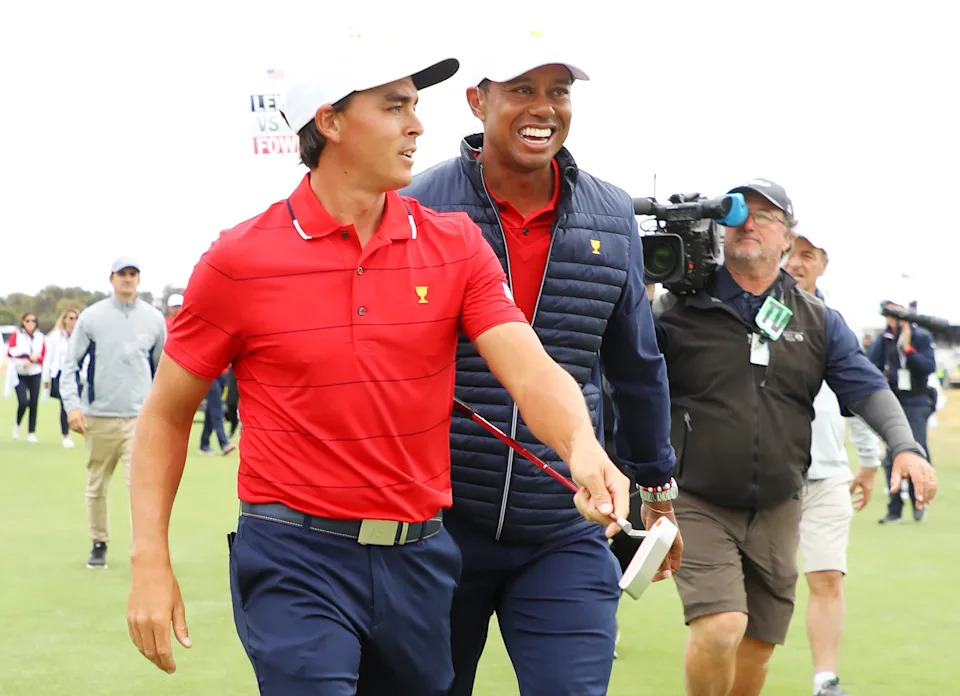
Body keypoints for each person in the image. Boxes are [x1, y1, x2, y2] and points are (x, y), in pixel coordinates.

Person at [124, 45, 631, 696]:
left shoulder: (454, 246)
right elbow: (167, 413)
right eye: (394, 106)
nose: (416, 125)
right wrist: (149, 559)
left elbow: (531, 372)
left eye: (415, 106)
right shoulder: (239, 260)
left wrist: (582, 448)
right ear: (329, 122)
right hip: (293, 555)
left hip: (420, 559)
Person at [402, 45, 680, 696]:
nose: (543, 108)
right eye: (521, 89)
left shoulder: (611, 214)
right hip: (440, 524)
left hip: (567, 523)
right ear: (478, 101)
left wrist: (658, 488)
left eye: (558, 91)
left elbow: (636, 365)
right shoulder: (418, 207)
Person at [652, 178, 938, 696]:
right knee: (720, 627)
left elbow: (867, 388)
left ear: (787, 236)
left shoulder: (818, 320)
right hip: (698, 497)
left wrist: (906, 447)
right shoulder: (677, 310)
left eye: (766, 215)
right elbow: (626, 381)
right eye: (738, 213)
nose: (749, 223)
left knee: (758, 648)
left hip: (781, 503)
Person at [784, 233, 883, 696]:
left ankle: (825, 680)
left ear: (824, 263)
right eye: (790, 253)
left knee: (825, 575)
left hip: (826, 476)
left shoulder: (833, 324)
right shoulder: (747, 315)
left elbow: (859, 393)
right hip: (764, 478)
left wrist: (868, 460)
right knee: (755, 588)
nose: (796, 263)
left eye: (808, 255)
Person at [60, 257, 166, 569]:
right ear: (112, 279)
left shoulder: (154, 319)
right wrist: (73, 405)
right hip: (99, 417)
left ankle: (143, 549)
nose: (128, 279)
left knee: (141, 486)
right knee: (97, 485)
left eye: (133, 274)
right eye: (123, 274)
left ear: (139, 279)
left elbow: (163, 369)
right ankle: (99, 542)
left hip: (140, 418)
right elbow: (70, 365)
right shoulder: (92, 317)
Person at [869, 301, 937, 524]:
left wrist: (908, 348)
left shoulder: (922, 337)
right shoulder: (884, 339)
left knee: (916, 449)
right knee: (891, 454)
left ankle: (920, 501)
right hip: (894, 399)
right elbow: (871, 365)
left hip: (917, 399)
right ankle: (894, 509)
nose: (891, 320)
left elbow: (928, 367)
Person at [42, 308, 81, 448]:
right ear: (64, 319)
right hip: (60, 373)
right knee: (65, 404)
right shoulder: (55, 336)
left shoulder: (80, 335)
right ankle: (66, 435)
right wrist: (46, 379)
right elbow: (49, 358)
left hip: (76, 373)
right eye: (70, 318)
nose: (73, 321)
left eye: (76, 318)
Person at [8, 312, 46, 443]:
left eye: (33, 321)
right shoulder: (17, 335)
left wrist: (36, 359)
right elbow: (10, 352)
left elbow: (43, 354)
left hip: (35, 372)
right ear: (23, 322)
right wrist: (24, 360)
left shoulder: (40, 336)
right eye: (28, 321)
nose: (31, 323)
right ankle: (18, 424)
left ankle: (31, 432)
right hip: (20, 374)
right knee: (24, 402)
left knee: (34, 402)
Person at [198, 368, 236, 455]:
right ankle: (224, 443)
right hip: (210, 372)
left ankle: (204, 444)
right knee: (216, 408)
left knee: (211, 410)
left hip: (224, 374)